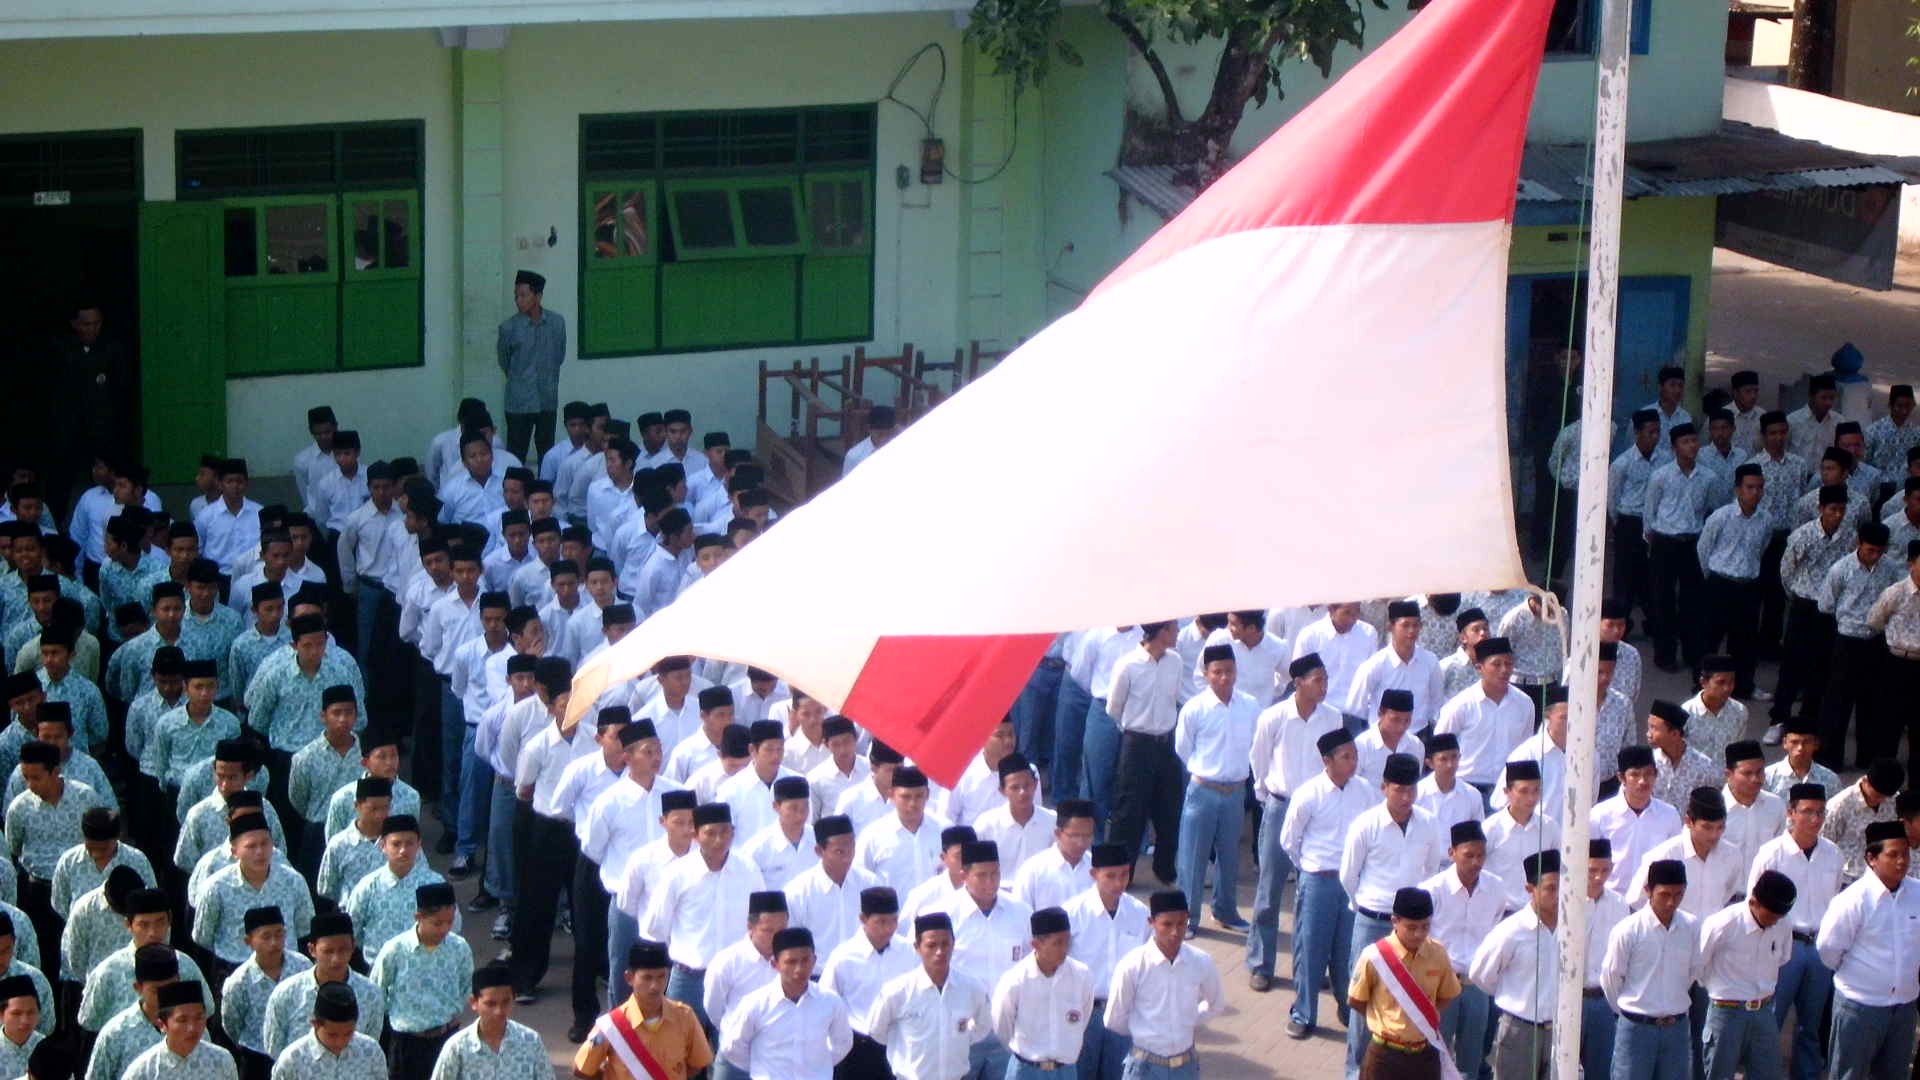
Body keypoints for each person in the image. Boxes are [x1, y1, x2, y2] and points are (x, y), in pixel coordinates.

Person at [1340, 753, 1446, 1072]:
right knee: (1364, 1003)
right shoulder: (1365, 824)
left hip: (1412, 927)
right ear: (1384, 787)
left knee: (1409, 1001)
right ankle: (1355, 1071)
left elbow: (1431, 869)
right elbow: (1348, 875)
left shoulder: (1428, 823)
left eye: (1410, 790)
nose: (1405, 797)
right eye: (1398, 790)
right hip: (1373, 920)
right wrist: (1367, 907)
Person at [1246, 651, 1344, 990]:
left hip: (1318, 812)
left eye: (1326, 678)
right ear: (1298, 683)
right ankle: (1261, 963)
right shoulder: (1274, 717)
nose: (1324, 685)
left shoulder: (1333, 718)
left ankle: (1310, 970)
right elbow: (1258, 759)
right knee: (1270, 889)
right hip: (1280, 806)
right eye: (1318, 679)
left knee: (1312, 892)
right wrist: (1265, 796)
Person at [1280, 727, 1374, 1039]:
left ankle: (1348, 1008)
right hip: (1317, 880)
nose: (1353, 762)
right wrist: (1310, 870)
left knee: (1348, 949)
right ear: (1327, 760)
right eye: (1346, 756)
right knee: (1311, 949)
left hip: (1351, 883)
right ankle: (1304, 1012)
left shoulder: (1366, 792)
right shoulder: (1309, 794)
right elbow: (1289, 840)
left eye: (1354, 755)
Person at [642, 802, 763, 1035]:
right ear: (696, 834)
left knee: (730, 1053)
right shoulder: (677, 874)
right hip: (689, 979)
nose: (719, 840)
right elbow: (656, 927)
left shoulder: (748, 870)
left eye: (725, 832)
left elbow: (760, 923)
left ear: (733, 832)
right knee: (681, 1055)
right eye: (711, 833)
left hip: (736, 980)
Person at [1749, 782, 1840, 1080]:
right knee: (1770, 1021)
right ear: (1791, 813)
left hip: (1819, 948)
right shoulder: (1771, 853)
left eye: (1820, 812)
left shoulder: (1833, 854)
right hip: (1782, 945)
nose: (1815, 819)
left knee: (1811, 1026)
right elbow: (1755, 903)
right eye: (1807, 812)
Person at [1817, 819, 1920, 1079]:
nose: (1902, 862)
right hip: (1859, 1007)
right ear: (1872, 858)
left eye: (1905, 854)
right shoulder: (1852, 901)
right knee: (1848, 1074)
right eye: (1893, 854)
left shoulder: (1917, 893)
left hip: (1904, 1007)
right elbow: (1829, 950)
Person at [1171, 643, 1255, 930]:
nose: (1224, 678)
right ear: (1206, 673)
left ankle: (1226, 911)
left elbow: (1255, 745)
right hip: (1203, 791)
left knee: (1229, 857)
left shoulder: (1250, 706)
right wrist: (1206, 773)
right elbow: (1183, 749)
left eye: (1229, 671)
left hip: (1235, 792)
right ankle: (1188, 919)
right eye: (1217, 672)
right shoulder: (1195, 709)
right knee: (1193, 858)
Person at [1103, 891, 1219, 1079]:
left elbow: (1215, 1003)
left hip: (1185, 1066)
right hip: (1144, 1066)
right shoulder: (1132, 965)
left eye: (1181, 923)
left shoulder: (1200, 961)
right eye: (1167, 924)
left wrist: (1187, 1021)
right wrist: (1143, 1031)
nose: (1175, 932)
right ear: (1151, 922)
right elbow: (1114, 1019)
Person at [1345, 886, 1457, 1080]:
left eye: (1425, 926)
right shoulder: (1374, 957)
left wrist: (1421, 1019)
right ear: (1395, 921)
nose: (1418, 934)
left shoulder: (1438, 954)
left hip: (1424, 1053)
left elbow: (1446, 995)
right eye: (1411, 927)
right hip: (1384, 1055)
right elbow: (1356, 1000)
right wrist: (1386, 1020)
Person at [864, 911, 991, 1079]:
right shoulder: (898, 991)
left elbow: (983, 1026)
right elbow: (877, 1031)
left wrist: (958, 1039)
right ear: (917, 947)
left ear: (954, 944)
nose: (939, 952)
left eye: (945, 944)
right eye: (931, 945)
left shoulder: (971, 987)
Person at [1468, 851, 1561, 1080]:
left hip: (1558, 1032)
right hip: (1520, 1031)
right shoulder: (1511, 931)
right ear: (1530, 889)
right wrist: (1510, 996)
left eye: (1563, 887)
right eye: (1551, 888)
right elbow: (1481, 974)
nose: (1558, 895)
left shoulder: (1571, 930)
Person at [1420, 821, 1502, 1078]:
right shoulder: (1432, 891)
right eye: (1469, 855)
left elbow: (1495, 930)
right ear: (1452, 853)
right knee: (1437, 1052)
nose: (1476, 862)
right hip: (1440, 984)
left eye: (1481, 855)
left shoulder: (1496, 889)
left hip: (1476, 984)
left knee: (1472, 1054)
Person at [1696, 869, 1796, 1080]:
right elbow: (1698, 966)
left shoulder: (1783, 923)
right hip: (1726, 1013)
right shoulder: (1723, 924)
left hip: (1764, 1011)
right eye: (1771, 916)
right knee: (1719, 1074)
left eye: (1780, 917)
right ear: (1753, 903)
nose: (1775, 922)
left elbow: (1782, 958)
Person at [370, 882, 474, 1079]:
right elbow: (377, 989)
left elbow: (465, 985)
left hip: (446, 1037)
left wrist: (453, 1014)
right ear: (418, 917)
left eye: (449, 922)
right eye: (437, 923)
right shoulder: (395, 950)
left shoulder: (459, 948)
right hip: (407, 1042)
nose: (444, 929)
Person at [717, 927, 851, 1079]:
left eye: (805, 960)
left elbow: (843, 1043)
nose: (799, 969)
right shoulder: (756, 1004)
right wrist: (761, 1068)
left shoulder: (830, 1002)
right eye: (791, 962)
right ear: (775, 964)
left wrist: (819, 1066)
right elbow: (733, 1047)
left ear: (814, 960)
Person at [1104, 622, 1182, 875]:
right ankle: (1121, 873)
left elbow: (1175, 697)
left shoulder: (1175, 662)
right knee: (1129, 812)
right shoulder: (1128, 664)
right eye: (1173, 629)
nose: (1178, 633)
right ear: (1161, 633)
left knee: (1169, 809)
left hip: (1166, 742)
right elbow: (1113, 708)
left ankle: (1165, 869)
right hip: (1137, 743)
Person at [260, 913, 386, 1057]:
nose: (336, 959)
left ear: (353, 947)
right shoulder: (286, 994)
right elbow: (274, 1048)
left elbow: (370, 1043)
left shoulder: (371, 994)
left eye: (343, 950)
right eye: (328, 951)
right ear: (312, 950)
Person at [1698, 463, 1771, 695]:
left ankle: (1743, 687)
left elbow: (1762, 548)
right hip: (1721, 582)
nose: (1755, 492)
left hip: (1748, 585)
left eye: (1759, 487)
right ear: (1738, 489)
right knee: (1710, 637)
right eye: (1749, 487)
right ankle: (1701, 685)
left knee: (1746, 641)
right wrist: (1713, 577)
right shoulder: (1720, 517)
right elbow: (1704, 549)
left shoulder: (1765, 519)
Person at [1432, 637, 1533, 802]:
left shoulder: (1525, 704)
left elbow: (1524, 750)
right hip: (1467, 788)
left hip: (1507, 791)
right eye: (1496, 664)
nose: (1504, 670)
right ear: (1480, 667)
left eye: (1508, 664)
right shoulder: (1460, 705)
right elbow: (1440, 747)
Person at [702, 892, 787, 1080]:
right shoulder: (727, 962)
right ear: (751, 927)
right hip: (734, 1055)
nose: (776, 937)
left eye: (782, 929)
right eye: (768, 930)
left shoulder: (791, 962)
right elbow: (713, 1008)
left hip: (777, 1058)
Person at [220, 906, 311, 1080]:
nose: (274, 942)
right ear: (249, 941)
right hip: (257, 1056)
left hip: (299, 1053)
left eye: (279, 934)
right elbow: (232, 1023)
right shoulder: (239, 982)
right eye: (266, 936)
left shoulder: (302, 966)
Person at [428, 964, 550, 1079]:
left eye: (505, 1002)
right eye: (490, 1004)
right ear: (473, 1002)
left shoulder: (531, 1041)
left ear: (514, 998)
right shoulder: (457, 1047)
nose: (499, 1011)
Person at [1590, 746, 1683, 897]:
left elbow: (1675, 859)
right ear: (1621, 778)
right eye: (1635, 775)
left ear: (1656, 775)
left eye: (1648, 774)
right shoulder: (1600, 815)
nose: (1642, 781)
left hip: (1651, 903)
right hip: (1611, 900)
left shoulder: (1669, 815)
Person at [496, 270, 566, 463]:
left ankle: (544, 491)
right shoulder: (508, 328)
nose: (518, 300)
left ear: (538, 296)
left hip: (547, 398)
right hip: (519, 401)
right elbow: (505, 362)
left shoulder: (557, 323)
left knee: (547, 452)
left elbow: (559, 356)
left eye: (524, 295)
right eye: (516, 296)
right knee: (516, 453)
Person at [269, 979, 386, 1079]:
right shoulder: (293, 1060)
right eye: (332, 1035)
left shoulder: (370, 1052)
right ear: (315, 1024)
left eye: (348, 1034)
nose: (340, 1042)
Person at [123, 979, 234, 1079]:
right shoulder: (143, 1072)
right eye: (182, 1020)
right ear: (162, 1025)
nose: (192, 1028)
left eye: (198, 1018)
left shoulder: (221, 1061)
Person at [841, 406, 896, 475]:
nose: (884, 439)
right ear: (869, 429)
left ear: (894, 430)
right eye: (880, 434)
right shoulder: (854, 456)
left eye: (889, 434)